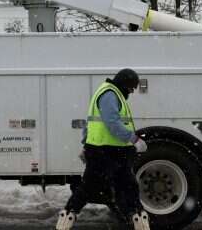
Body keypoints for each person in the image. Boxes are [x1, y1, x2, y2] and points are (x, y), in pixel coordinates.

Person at [56, 68, 150, 230]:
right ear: (123, 83)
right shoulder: (109, 95)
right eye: (130, 88)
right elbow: (112, 123)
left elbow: (90, 123)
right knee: (89, 187)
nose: (131, 92)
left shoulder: (111, 93)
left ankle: (138, 219)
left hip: (114, 152)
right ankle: (66, 219)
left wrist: (85, 143)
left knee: (128, 187)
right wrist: (133, 139)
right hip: (105, 152)